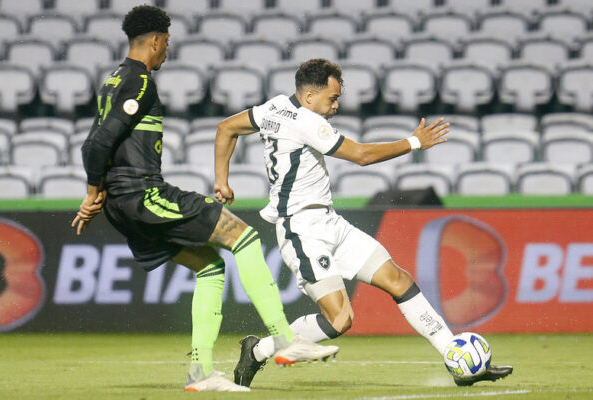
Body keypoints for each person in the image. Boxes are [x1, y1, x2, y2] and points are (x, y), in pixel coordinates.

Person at [71, 8, 338, 393]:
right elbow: (95, 144)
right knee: (243, 238)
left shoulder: (113, 80)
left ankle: (201, 373)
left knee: (209, 268)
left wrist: (98, 195)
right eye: (167, 42)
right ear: (156, 40)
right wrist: (92, 191)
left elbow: (98, 142)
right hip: (141, 194)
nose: (167, 50)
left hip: (123, 202)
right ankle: (283, 339)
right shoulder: (139, 80)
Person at [214, 58, 513, 387]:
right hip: (301, 230)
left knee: (398, 279)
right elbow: (361, 156)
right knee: (340, 319)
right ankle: (258, 350)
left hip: (329, 221)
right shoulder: (307, 121)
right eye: (332, 98)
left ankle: (455, 360)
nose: (336, 105)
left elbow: (226, 127)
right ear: (310, 96)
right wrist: (414, 142)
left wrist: (222, 181)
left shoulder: (273, 108)